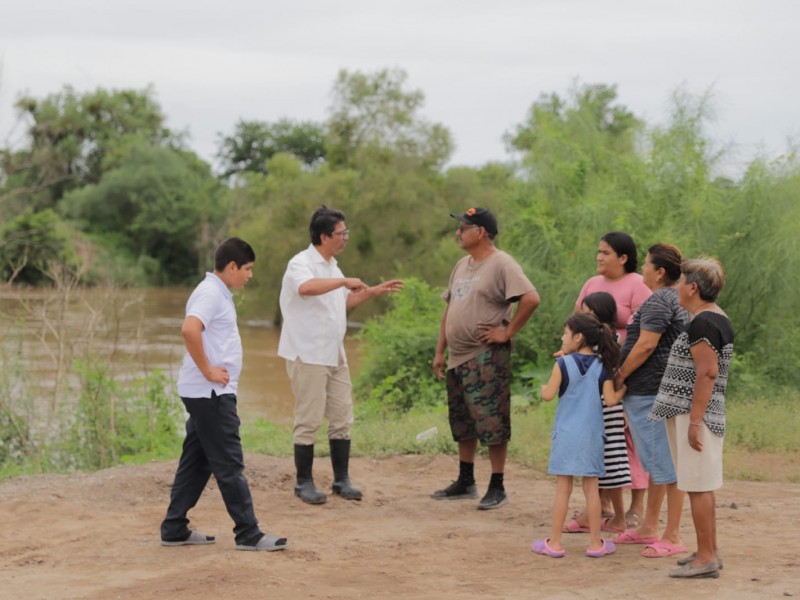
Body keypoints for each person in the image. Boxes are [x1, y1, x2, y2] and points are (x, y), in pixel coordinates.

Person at [161, 237, 287, 552]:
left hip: (208, 392)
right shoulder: (210, 293)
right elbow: (190, 330)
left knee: (198, 461)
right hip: (210, 393)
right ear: (231, 266)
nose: (250, 275)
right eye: (247, 269)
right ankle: (249, 533)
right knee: (229, 462)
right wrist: (208, 371)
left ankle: (174, 527)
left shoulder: (218, 293)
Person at [279, 206, 403, 505]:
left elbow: (343, 303)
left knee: (342, 416)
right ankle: (303, 483)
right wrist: (344, 282)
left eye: (346, 232)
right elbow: (306, 289)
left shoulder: (333, 266)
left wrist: (371, 292)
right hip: (307, 353)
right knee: (308, 419)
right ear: (324, 236)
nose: (346, 238)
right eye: (341, 233)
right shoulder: (301, 263)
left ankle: (341, 479)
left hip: (334, 352)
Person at [431, 207, 540, 510]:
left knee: (491, 420)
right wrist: (440, 351)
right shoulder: (461, 265)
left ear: (480, 232)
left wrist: (508, 332)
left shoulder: (502, 263)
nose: (458, 232)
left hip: (485, 356)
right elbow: (449, 310)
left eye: (463, 228)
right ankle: (466, 480)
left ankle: (497, 485)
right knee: (463, 419)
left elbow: (531, 298)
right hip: (457, 356)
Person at [650, 258, 733, 579]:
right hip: (696, 413)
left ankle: (707, 557)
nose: (676, 287)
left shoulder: (704, 323)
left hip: (695, 415)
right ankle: (706, 550)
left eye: (680, 281)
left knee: (698, 485)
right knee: (703, 485)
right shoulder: (712, 317)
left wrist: (695, 421)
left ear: (693, 287)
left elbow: (707, 373)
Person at [611, 244, 690, 559]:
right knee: (659, 463)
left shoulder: (659, 301)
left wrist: (620, 375)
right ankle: (649, 526)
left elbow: (645, 345)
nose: (641, 269)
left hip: (650, 393)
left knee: (666, 466)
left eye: (645, 265)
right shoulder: (676, 301)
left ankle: (672, 535)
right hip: (659, 391)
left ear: (659, 272)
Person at [532, 313, 625, 558]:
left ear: (578, 337)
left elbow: (548, 395)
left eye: (565, 333)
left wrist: (543, 388)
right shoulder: (602, 365)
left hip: (565, 435)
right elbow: (612, 400)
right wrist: (624, 384)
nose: (562, 338)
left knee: (563, 488)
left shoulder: (562, 364)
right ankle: (596, 544)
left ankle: (555, 543)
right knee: (591, 490)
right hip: (593, 435)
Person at [575, 231, 652, 527]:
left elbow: (644, 331)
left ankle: (636, 507)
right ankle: (603, 504)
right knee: (601, 436)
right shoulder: (591, 284)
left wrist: (625, 369)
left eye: (605, 252)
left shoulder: (638, 285)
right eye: (598, 251)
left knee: (630, 439)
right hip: (595, 372)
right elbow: (578, 323)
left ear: (623, 258)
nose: (599, 257)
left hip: (625, 370)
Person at [560, 292, 631, 535]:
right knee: (606, 463)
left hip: (599, 409)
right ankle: (602, 513)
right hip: (603, 408)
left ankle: (615, 516)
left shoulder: (599, 345)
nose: (582, 316)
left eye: (587, 312)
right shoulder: (613, 340)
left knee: (607, 464)